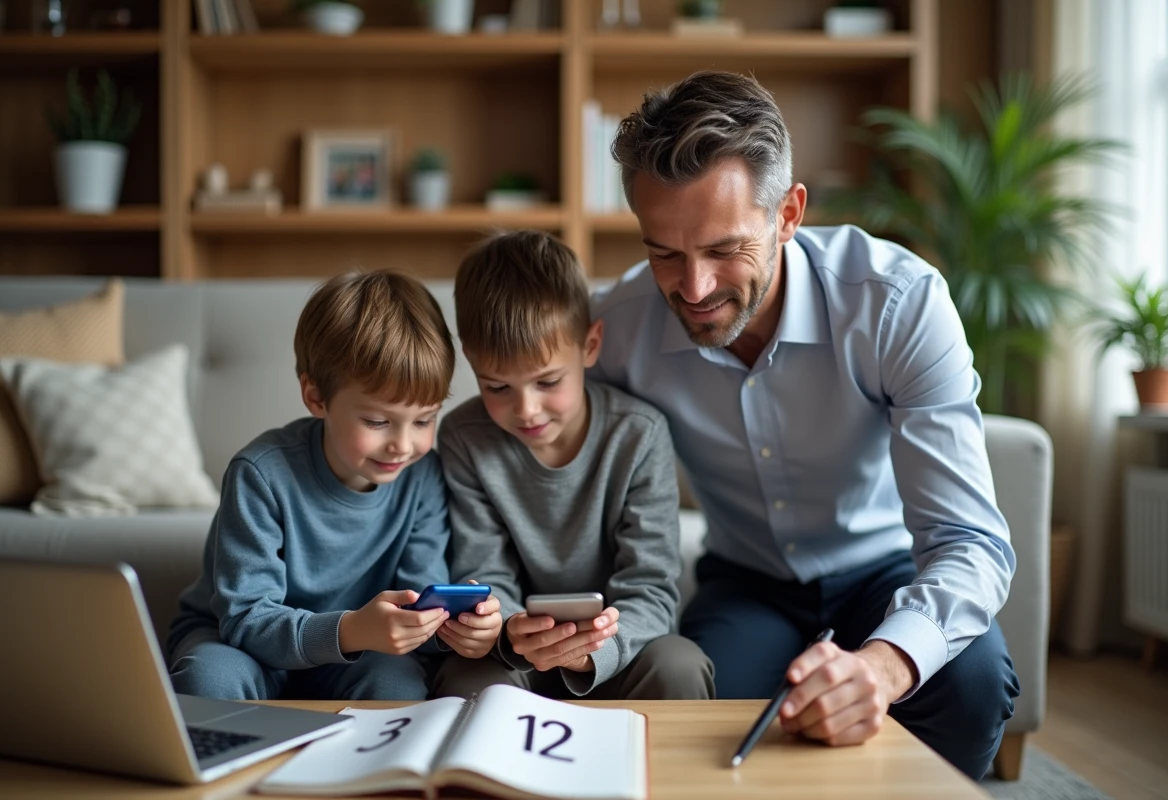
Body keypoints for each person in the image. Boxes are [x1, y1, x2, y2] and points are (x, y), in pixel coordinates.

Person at [590, 70, 1019, 778]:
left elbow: (969, 541)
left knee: (970, 685)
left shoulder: (898, 304)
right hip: (746, 582)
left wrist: (882, 669)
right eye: (663, 251)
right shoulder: (619, 327)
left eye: (724, 249)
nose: (692, 290)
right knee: (702, 719)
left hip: (885, 568)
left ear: (788, 214)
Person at [167, 270, 502, 702]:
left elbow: (419, 599)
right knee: (208, 682)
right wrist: (348, 629)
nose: (403, 443)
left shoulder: (424, 478)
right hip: (243, 645)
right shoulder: (261, 473)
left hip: (364, 649)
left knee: (395, 687)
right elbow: (245, 618)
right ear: (316, 397)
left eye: (424, 420)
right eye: (378, 421)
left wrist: (455, 627)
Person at [431, 230, 714, 701]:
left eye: (547, 381)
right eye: (497, 387)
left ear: (589, 345)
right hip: (516, 651)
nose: (526, 410)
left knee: (679, 664)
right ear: (471, 363)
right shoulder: (465, 438)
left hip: (618, 649)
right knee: (466, 681)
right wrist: (505, 628)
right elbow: (481, 572)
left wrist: (591, 652)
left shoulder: (639, 434)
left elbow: (650, 589)